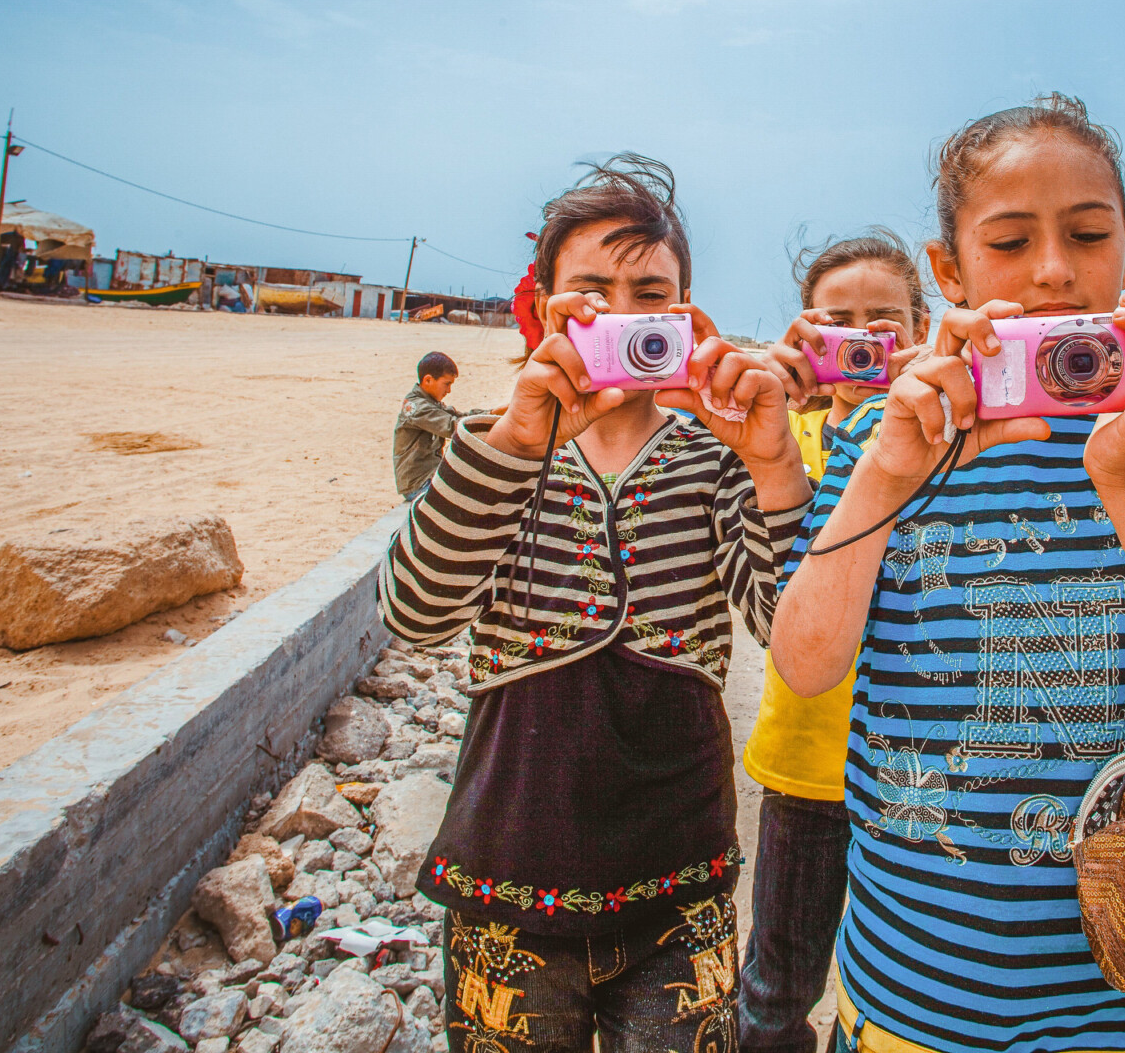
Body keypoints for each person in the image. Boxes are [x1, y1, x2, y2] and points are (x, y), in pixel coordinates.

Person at [770, 94, 1125, 1053]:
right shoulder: (882, 447)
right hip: (914, 998)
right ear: (949, 269)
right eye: (1009, 244)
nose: (1054, 272)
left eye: (1087, 234)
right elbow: (804, 664)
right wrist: (885, 468)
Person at [376, 153, 813, 1053]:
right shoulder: (489, 446)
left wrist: (774, 467)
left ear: (687, 315)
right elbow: (415, 613)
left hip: (681, 883)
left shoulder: (715, 459)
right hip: (505, 874)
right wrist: (516, 439)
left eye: (650, 292)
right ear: (543, 308)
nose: (622, 315)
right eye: (591, 291)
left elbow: (791, 633)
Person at [740, 231, 932, 1053]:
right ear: (805, 334)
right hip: (807, 760)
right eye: (837, 324)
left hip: (925, 775)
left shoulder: (954, 442)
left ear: (924, 332)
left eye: (883, 324)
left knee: (909, 992)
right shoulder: (784, 438)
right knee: (778, 984)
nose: (863, 343)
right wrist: (771, 399)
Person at [394, 352, 464, 501]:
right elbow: (452, 426)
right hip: (418, 485)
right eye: (447, 384)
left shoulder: (430, 402)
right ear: (428, 380)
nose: (449, 390)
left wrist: (492, 413)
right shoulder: (417, 407)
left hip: (430, 477)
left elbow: (458, 417)